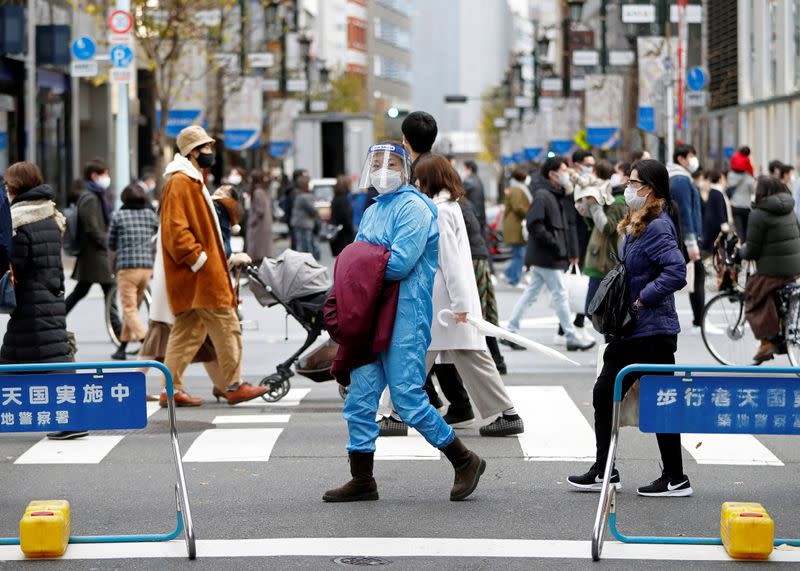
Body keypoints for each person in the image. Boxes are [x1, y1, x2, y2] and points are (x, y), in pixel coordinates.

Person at [323, 142, 485, 503]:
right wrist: (361, 260)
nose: (382, 170)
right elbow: (368, 260)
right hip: (372, 310)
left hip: (405, 313)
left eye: (391, 163)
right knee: (361, 397)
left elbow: (397, 263)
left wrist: (357, 259)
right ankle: (362, 479)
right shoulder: (374, 208)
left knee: (408, 398)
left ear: (406, 169)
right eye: (376, 162)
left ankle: (464, 459)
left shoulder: (415, 207)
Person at [568, 159, 692, 497]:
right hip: (638, 329)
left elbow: (677, 272)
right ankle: (665, 475)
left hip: (649, 328)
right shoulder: (640, 222)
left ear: (649, 188)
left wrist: (641, 301)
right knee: (650, 398)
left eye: (634, 182)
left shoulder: (656, 227)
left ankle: (609, 471)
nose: (627, 186)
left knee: (618, 393)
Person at [157, 125, 266, 407]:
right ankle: (233, 385)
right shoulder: (181, 182)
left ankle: (172, 390)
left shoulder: (188, 181)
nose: (210, 152)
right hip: (202, 277)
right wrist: (199, 260)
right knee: (227, 326)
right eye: (205, 148)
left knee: (186, 332)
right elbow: (175, 231)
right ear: (193, 152)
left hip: (196, 276)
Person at [415, 154, 523, 436]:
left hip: (446, 301)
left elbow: (450, 259)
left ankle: (389, 412)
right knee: (462, 354)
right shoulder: (450, 205)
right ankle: (506, 413)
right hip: (451, 299)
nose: (414, 183)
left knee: (419, 356)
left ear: (428, 180)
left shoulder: (438, 211)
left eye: (418, 178)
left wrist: (460, 303)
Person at [1, 162, 82, 440]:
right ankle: (72, 420)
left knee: (50, 360)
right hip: (48, 297)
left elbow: (19, 264)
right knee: (15, 358)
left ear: (16, 186)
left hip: (31, 304)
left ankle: (73, 421)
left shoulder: (21, 222)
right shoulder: (48, 214)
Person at [504, 157, 595, 352]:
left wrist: (567, 249)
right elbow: (534, 224)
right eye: (563, 170)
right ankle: (570, 336)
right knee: (560, 294)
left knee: (531, 293)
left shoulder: (555, 194)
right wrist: (555, 244)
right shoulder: (543, 195)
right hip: (547, 255)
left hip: (546, 254)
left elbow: (566, 223)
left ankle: (510, 329)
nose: (566, 174)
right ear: (552, 174)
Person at [738, 176, 800, 362]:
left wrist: (740, 252)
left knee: (753, 292)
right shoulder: (789, 207)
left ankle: (767, 342)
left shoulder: (758, 213)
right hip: (795, 268)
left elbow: (752, 250)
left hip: (774, 270)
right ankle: (778, 334)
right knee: (774, 296)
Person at [107, 184, 159, 360]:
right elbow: (156, 233)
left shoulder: (119, 216)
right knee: (133, 308)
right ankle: (122, 347)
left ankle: (146, 341)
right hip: (146, 267)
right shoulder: (150, 215)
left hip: (127, 267)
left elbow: (111, 242)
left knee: (129, 308)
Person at [64, 159, 117, 328]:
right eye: (105, 174)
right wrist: (107, 243)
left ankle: (55, 321)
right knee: (109, 290)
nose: (107, 177)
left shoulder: (95, 195)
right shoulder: (90, 198)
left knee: (82, 290)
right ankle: (119, 330)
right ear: (94, 176)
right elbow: (92, 228)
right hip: (95, 255)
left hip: (94, 255)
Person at [575, 160, 626, 322]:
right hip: (598, 259)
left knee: (597, 310)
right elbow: (595, 225)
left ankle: (611, 343)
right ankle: (610, 343)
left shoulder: (618, 200)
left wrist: (595, 206)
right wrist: (586, 212)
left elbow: (607, 227)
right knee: (596, 310)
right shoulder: (605, 194)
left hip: (605, 262)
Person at [667, 143, 705, 335]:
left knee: (690, 277)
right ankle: (700, 321)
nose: (693, 160)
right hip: (684, 238)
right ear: (680, 158)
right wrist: (691, 242)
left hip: (677, 237)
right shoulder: (681, 179)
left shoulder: (677, 177)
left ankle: (699, 320)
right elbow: (685, 212)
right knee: (697, 277)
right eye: (691, 156)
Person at [501, 167, 531, 286]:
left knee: (518, 254)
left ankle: (508, 273)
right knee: (520, 255)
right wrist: (529, 213)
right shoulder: (517, 190)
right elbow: (518, 207)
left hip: (515, 224)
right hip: (516, 225)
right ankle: (514, 279)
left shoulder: (516, 188)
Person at [728, 146, 756, 240]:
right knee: (746, 229)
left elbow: (729, 185)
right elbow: (753, 190)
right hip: (745, 206)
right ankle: (744, 247)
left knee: (738, 229)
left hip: (735, 205)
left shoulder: (731, 175)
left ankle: (738, 246)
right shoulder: (747, 176)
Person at [290, 174, 321, 260]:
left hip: (300, 223)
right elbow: (313, 210)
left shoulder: (298, 195)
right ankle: (307, 262)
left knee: (302, 245)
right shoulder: (304, 197)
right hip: (304, 224)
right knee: (305, 246)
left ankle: (304, 261)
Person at [246, 170, 274, 265]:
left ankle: (257, 278)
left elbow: (260, 211)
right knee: (262, 255)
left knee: (257, 254)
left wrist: (251, 222)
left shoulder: (257, 192)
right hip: (265, 226)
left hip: (259, 228)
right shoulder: (264, 191)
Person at [702, 170, 733, 251]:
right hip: (717, 226)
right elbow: (720, 209)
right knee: (718, 248)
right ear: (719, 179)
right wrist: (724, 224)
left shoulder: (713, 192)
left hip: (713, 224)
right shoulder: (718, 193)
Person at [211, 184, 240, 259]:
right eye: (221, 189)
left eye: (226, 193)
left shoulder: (218, 206)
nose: (221, 192)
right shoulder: (216, 204)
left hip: (217, 250)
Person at [329, 175, 355, 257]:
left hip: (338, 234)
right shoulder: (344, 200)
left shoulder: (336, 198)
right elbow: (346, 218)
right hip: (344, 236)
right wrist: (352, 231)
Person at [281, 168, 308, 248]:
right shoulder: (294, 191)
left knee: (296, 242)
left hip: (292, 219)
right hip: (295, 220)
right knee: (297, 243)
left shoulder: (292, 189)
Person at [462, 160, 486, 230]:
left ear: (469, 169)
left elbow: (459, 195)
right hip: (481, 216)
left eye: (465, 169)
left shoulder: (468, 181)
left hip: (473, 216)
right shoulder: (478, 179)